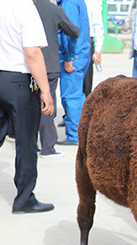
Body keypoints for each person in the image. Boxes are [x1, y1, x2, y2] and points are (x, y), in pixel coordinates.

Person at [0, 0, 55, 221]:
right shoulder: (24, 7)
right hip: (17, 79)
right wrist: (45, 90)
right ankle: (24, 199)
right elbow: (33, 52)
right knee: (26, 141)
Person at [35, 0, 80, 158]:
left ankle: (29, 145)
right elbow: (74, 31)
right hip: (49, 64)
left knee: (28, 104)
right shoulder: (55, 10)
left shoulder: (25, 8)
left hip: (26, 65)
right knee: (47, 104)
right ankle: (47, 147)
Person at [57, 0, 91, 145]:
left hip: (74, 55)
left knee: (71, 96)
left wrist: (69, 57)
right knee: (78, 95)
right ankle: (83, 132)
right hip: (81, 53)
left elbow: (71, 31)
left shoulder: (69, 3)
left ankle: (74, 135)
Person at [83, 0, 104, 97]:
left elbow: (98, 26)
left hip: (87, 42)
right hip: (73, 41)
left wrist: (98, 50)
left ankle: (85, 107)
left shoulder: (92, 2)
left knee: (86, 81)